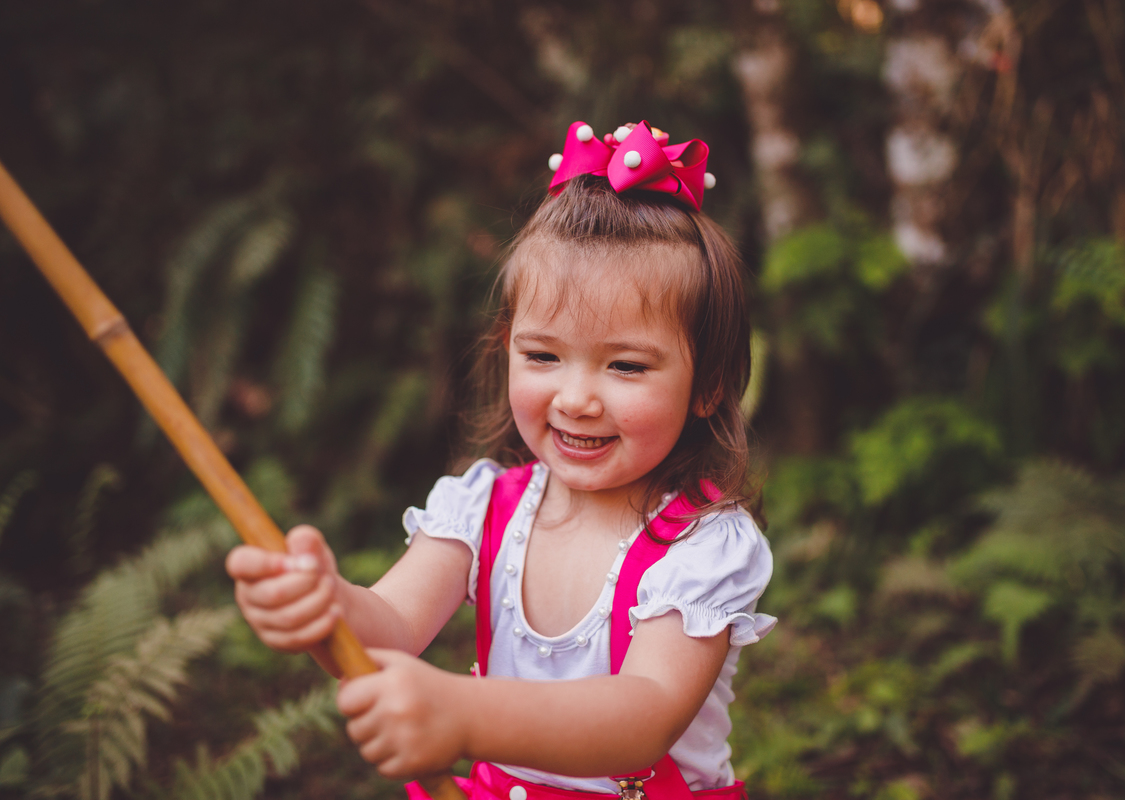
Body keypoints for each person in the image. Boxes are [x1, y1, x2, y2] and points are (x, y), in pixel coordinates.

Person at [226, 120, 775, 800]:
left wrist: (462, 715)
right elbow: (389, 630)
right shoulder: (482, 508)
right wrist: (323, 606)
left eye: (626, 366)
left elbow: (643, 716)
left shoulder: (701, 548)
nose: (575, 399)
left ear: (709, 386)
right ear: (505, 345)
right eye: (542, 355)